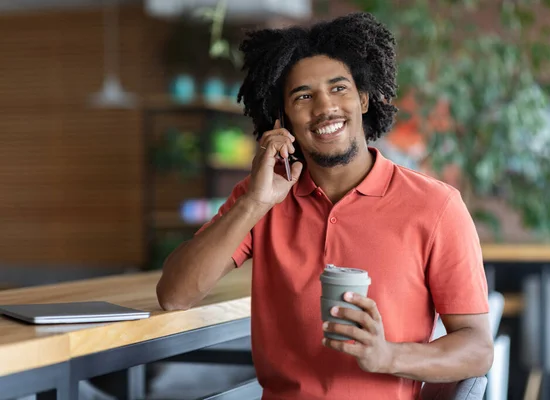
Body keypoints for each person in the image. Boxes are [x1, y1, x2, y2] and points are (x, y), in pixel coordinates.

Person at [157, 12, 493, 400]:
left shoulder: (435, 206)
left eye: (339, 89)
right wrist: (254, 203)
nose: (324, 107)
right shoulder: (261, 197)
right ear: (282, 119)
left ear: (364, 99)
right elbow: (175, 295)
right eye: (303, 96)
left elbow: (477, 349)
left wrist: (387, 356)